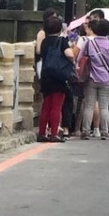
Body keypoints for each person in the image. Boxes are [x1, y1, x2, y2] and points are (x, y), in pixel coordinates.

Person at [78, 18, 109, 140]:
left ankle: (86, 131)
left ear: (95, 30)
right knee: (104, 107)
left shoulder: (88, 43)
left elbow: (80, 59)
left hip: (90, 78)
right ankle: (104, 131)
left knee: (89, 105)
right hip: (106, 79)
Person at [37, 10, 76, 142]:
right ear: (60, 28)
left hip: (46, 75)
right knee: (57, 106)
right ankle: (54, 133)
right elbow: (70, 54)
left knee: (46, 105)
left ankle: (42, 132)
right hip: (59, 76)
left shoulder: (44, 42)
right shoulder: (62, 41)